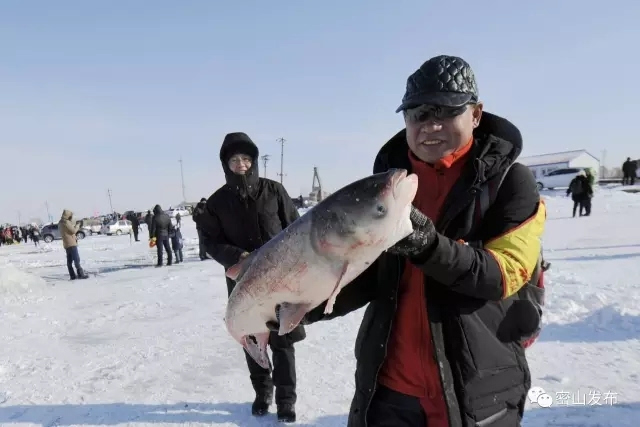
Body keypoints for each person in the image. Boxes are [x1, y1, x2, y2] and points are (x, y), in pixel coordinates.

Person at [273, 55, 546, 427]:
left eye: (446, 111)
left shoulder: (510, 182)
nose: (430, 125)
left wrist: (430, 247)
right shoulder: (388, 187)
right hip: (389, 390)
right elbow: (370, 274)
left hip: (476, 390)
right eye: (418, 113)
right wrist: (307, 305)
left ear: (476, 114)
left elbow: (503, 275)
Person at [198, 132, 305, 423]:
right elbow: (210, 241)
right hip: (242, 281)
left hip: (279, 278)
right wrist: (238, 257)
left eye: (246, 158)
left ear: (254, 161)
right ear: (226, 164)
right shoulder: (218, 202)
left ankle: (286, 400)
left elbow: (296, 229)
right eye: (234, 160)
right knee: (253, 339)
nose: (241, 164)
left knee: (283, 340)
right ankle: (262, 392)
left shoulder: (274, 191)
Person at [59, 210, 89, 280]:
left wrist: (74, 226)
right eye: (71, 216)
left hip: (66, 244)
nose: (71, 217)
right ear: (68, 216)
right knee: (76, 259)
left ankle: (72, 275)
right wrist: (78, 225)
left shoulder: (60, 222)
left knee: (69, 261)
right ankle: (81, 274)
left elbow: (68, 231)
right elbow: (73, 231)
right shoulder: (66, 222)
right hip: (71, 243)